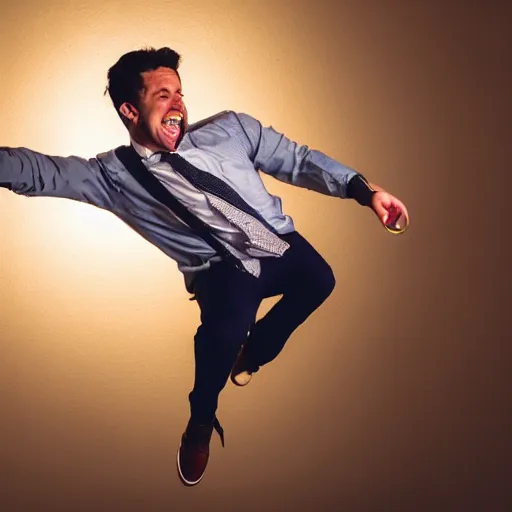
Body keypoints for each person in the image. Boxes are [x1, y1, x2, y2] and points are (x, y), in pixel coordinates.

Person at [0, 46, 409, 486]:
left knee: (320, 279)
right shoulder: (113, 176)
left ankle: (256, 353)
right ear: (130, 110)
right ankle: (201, 420)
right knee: (225, 329)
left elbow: (298, 160)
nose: (177, 103)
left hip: (276, 241)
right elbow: (43, 172)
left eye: (178, 92)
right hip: (221, 269)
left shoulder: (230, 128)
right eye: (161, 95)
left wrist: (364, 191)